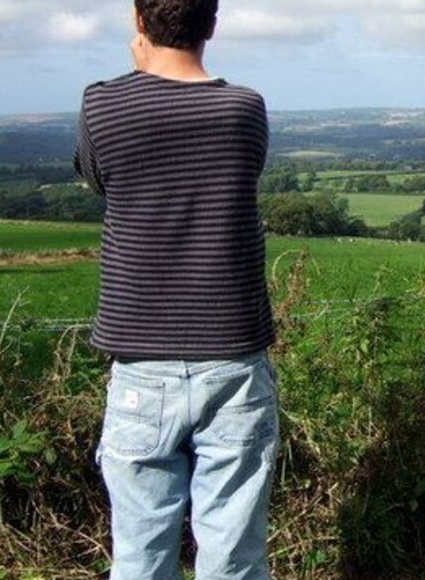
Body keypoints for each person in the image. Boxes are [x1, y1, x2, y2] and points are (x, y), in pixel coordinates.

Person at [73, 1, 278, 577]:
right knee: (233, 551)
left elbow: (93, 175)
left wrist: (138, 76)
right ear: (211, 24)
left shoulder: (102, 101)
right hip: (233, 355)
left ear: (139, 22)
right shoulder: (244, 108)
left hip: (141, 360)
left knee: (140, 550)